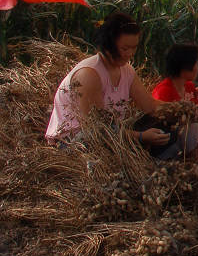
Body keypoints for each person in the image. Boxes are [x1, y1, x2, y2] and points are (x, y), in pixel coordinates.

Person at [45, 11, 170, 153]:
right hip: (73, 143)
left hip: (109, 133)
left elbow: (150, 106)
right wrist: (141, 137)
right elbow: (97, 128)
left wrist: (185, 109)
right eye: (125, 48)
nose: (130, 53)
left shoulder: (127, 70)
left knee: (165, 124)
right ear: (109, 45)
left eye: (134, 48)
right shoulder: (89, 75)